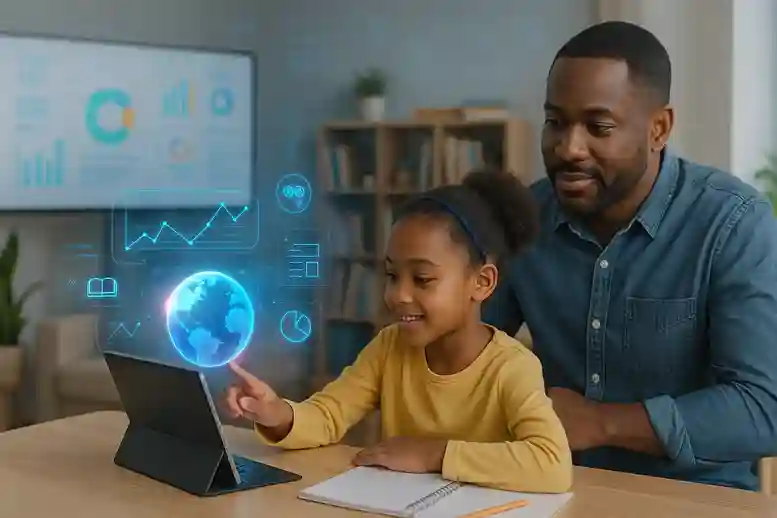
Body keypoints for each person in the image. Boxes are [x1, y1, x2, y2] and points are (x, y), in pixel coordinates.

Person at [483, 20, 777, 491]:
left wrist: (600, 423)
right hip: (555, 486)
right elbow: (465, 354)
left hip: (696, 498)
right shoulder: (521, 218)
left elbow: (764, 408)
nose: (568, 148)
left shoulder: (733, 223)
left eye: (598, 127)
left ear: (658, 128)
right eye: (555, 122)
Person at [224, 169, 573, 493]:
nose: (398, 295)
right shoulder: (389, 347)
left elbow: (552, 463)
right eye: (392, 276)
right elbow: (328, 416)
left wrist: (434, 454)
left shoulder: (512, 367)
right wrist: (276, 413)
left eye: (422, 279)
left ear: (481, 282)